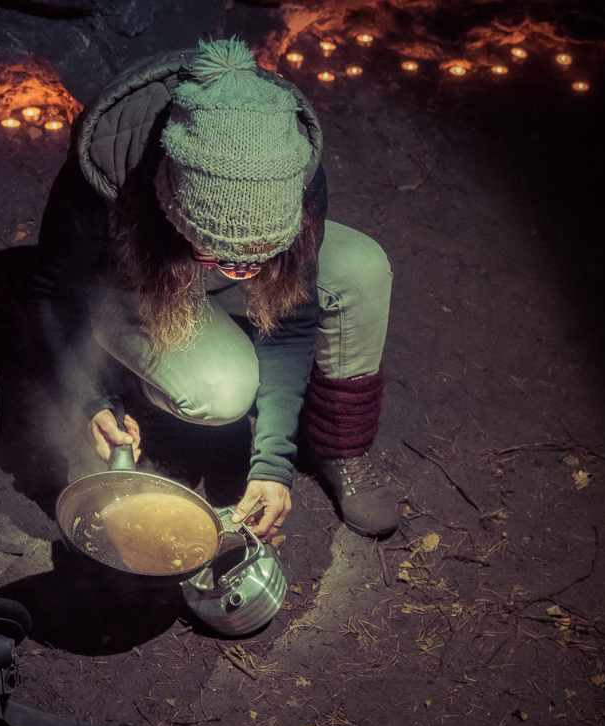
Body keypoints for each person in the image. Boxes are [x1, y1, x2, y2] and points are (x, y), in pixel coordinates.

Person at [31, 38, 396, 540]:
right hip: (132, 282)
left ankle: (338, 446)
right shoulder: (109, 171)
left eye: (260, 257)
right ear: (172, 208)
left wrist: (273, 463)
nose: (243, 274)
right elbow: (51, 293)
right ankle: (138, 379)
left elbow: (291, 320)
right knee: (223, 389)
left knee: (361, 270)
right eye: (224, 257)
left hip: (192, 258)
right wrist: (91, 400)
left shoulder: (292, 161)